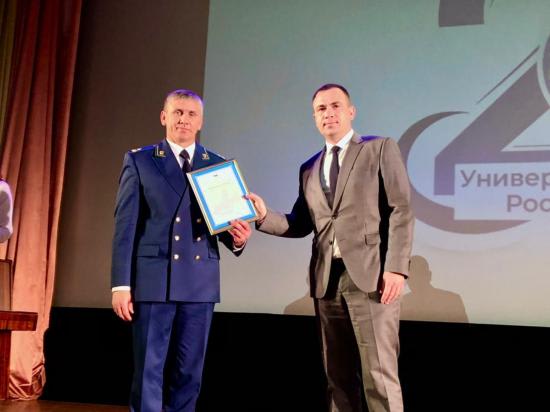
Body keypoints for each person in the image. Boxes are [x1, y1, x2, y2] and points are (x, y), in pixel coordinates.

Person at [248, 84, 414, 412]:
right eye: (321, 109)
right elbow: (300, 223)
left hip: (371, 278)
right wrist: (264, 216)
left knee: (379, 376)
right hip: (326, 282)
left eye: (336, 106)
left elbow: (401, 208)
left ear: (351, 111)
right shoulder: (309, 168)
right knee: (337, 377)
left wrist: (396, 268)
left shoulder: (379, 148)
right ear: (314, 118)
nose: (329, 113)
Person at [111, 89, 252, 412]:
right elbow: (125, 227)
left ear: (200, 122)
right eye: (177, 112)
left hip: (199, 282)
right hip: (154, 281)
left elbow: (224, 228)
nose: (183, 120)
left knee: (189, 373)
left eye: (191, 114)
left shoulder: (216, 166)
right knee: (148, 370)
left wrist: (239, 238)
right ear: (164, 117)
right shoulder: (141, 160)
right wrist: (121, 284)